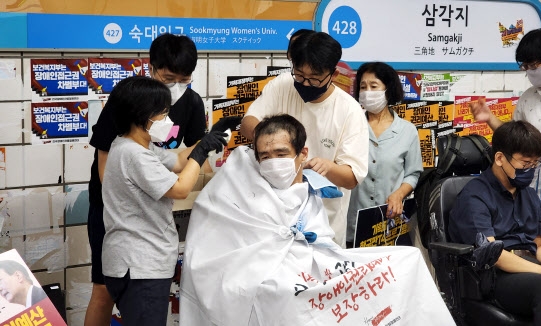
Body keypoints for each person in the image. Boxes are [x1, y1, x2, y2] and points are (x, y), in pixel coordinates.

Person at [180, 114, 454, 326]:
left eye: (281, 154)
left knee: (406, 261)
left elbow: (322, 243)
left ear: (302, 154)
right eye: (264, 156)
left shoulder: (308, 191)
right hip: (267, 281)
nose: (273, 162)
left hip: (311, 275)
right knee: (286, 296)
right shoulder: (241, 191)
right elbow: (225, 252)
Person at [85, 33, 207, 326]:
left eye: (184, 79)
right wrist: (128, 209)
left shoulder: (191, 103)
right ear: (151, 68)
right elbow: (107, 169)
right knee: (104, 291)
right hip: (115, 209)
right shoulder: (129, 99)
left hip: (155, 209)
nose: (177, 86)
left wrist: (214, 142)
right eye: (169, 77)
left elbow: (184, 158)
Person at [100, 76, 227, 326]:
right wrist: (201, 153)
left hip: (133, 263)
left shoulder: (133, 145)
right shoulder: (134, 154)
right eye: (163, 112)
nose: (167, 120)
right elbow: (180, 188)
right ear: (143, 114)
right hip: (140, 266)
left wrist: (208, 138)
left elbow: (179, 162)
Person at [240, 31, 369, 248]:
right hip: (271, 220)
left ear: (334, 74)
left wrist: (328, 167)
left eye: (315, 78)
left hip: (323, 227)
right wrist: (271, 143)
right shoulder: (282, 85)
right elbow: (248, 123)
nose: (306, 84)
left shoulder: (349, 111)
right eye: (299, 76)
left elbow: (352, 177)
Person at [448, 120, 541, 325]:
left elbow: (538, 245)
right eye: (525, 164)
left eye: (535, 164)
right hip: (495, 275)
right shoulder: (475, 196)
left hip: (530, 266)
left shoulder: (528, 195)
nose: (531, 170)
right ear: (500, 158)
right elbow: (494, 256)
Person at [469, 28, 541, 238]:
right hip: (537, 211)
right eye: (525, 67)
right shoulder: (528, 98)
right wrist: (489, 118)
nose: (529, 72)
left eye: (534, 65)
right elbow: (515, 140)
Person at [346, 62, 423, 248]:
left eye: (374, 86)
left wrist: (399, 194)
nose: (367, 92)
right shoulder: (350, 126)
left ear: (388, 90)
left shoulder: (407, 131)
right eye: (363, 87)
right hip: (352, 222)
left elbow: (413, 174)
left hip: (390, 225)